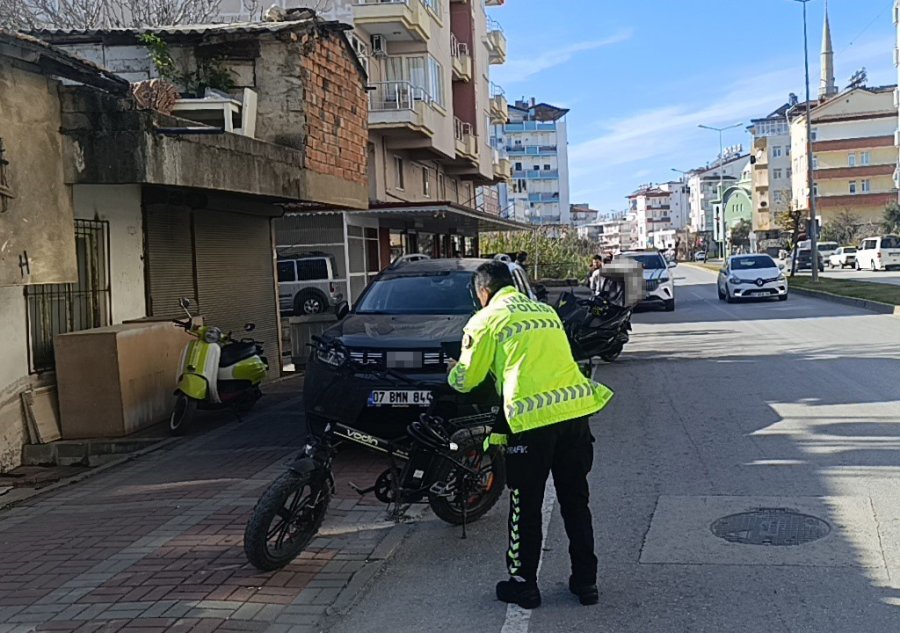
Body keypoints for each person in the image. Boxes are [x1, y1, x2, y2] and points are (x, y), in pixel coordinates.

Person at [447, 261, 614, 609]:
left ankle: (523, 585)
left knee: (527, 507)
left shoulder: (487, 319)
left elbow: (468, 379)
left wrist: (452, 372)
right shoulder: (545, 312)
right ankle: (586, 583)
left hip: (531, 425)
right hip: (574, 415)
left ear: (483, 292)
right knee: (575, 501)